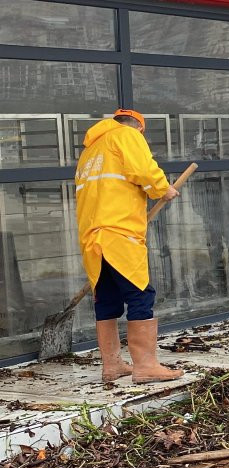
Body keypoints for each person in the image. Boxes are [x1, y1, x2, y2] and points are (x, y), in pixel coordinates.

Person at [75, 108, 183, 385]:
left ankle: (111, 365)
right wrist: (163, 189)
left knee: (107, 298)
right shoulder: (126, 135)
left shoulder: (90, 152)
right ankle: (146, 366)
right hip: (119, 232)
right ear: (139, 128)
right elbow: (142, 169)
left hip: (92, 236)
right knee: (140, 294)